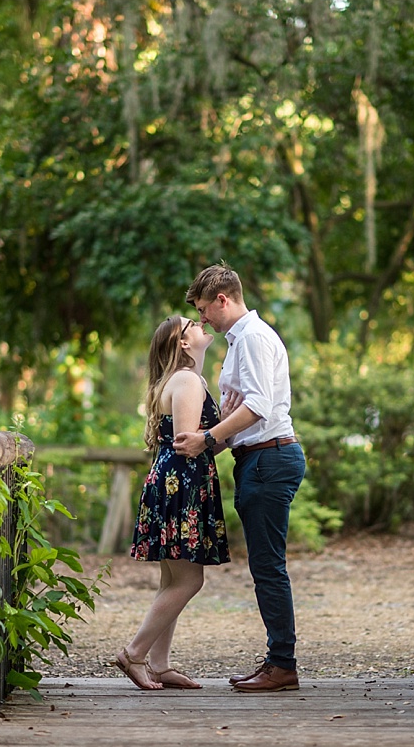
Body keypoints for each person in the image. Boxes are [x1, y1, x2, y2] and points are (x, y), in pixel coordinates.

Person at [174, 264, 306, 693]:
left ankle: (282, 665)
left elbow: (260, 407)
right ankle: (276, 659)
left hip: (269, 460)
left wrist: (208, 436)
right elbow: (244, 415)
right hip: (258, 457)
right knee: (266, 566)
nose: (202, 319)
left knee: (268, 568)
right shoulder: (243, 339)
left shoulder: (249, 338)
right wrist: (215, 441)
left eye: (202, 309)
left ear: (222, 300)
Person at [114, 314, 231, 690]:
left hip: (173, 480)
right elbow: (188, 442)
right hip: (183, 483)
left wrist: (220, 427)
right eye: (192, 324)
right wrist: (227, 428)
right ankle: (134, 653)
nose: (201, 325)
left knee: (171, 578)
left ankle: (161, 665)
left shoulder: (181, 380)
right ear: (183, 343)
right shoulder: (187, 380)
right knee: (189, 579)